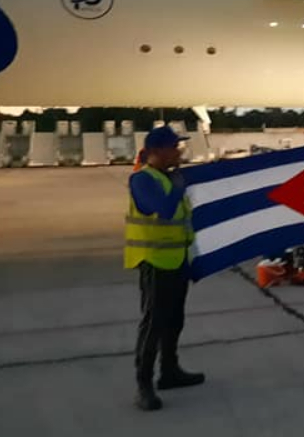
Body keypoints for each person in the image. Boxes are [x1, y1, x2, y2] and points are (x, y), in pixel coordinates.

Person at [125, 126, 203, 411]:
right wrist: (179, 186)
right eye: (174, 146)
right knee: (153, 326)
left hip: (177, 260)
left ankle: (169, 371)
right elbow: (163, 209)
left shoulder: (169, 177)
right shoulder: (142, 180)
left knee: (174, 321)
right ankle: (143, 384)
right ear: (157, 151)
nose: (179, 151)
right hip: (155, 263)